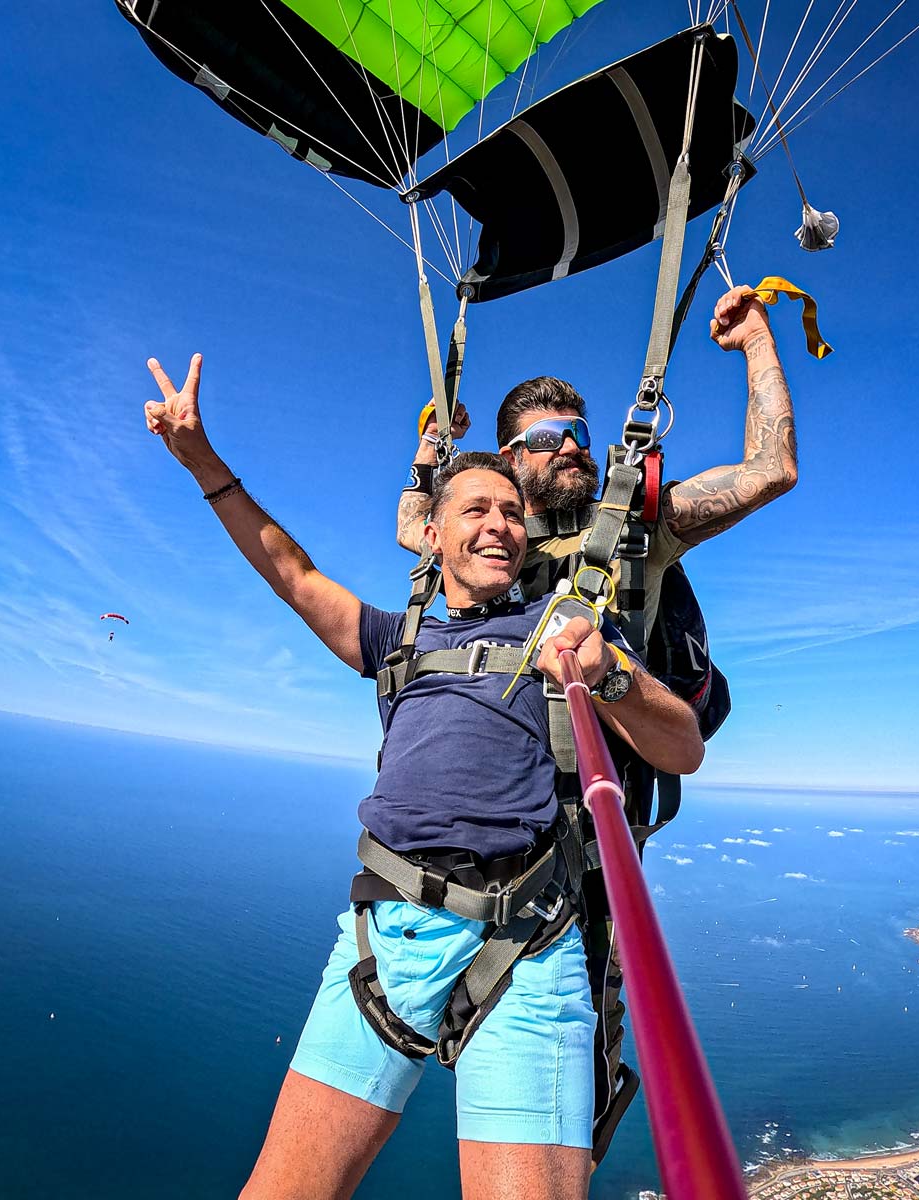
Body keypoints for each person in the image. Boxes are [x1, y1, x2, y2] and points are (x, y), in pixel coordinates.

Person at [143, 353, 704, 1200]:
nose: (500, 524)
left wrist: (608, 675)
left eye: (512, 512)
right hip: (387, 940)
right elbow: (289, 573)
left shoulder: (568, 629)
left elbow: (683, 747)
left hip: (529, 947)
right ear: (431, 534)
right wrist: (202, 461)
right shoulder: (398, 640)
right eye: (474, 508)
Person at [396, 284, 798, 642]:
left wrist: (756, 340)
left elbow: (773, 470)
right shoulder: (475, 535)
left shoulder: (639, 523)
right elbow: (410, 524)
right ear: (511, 458)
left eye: (578, 433)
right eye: (547, 438)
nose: (570, 447)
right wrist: (432, 438)